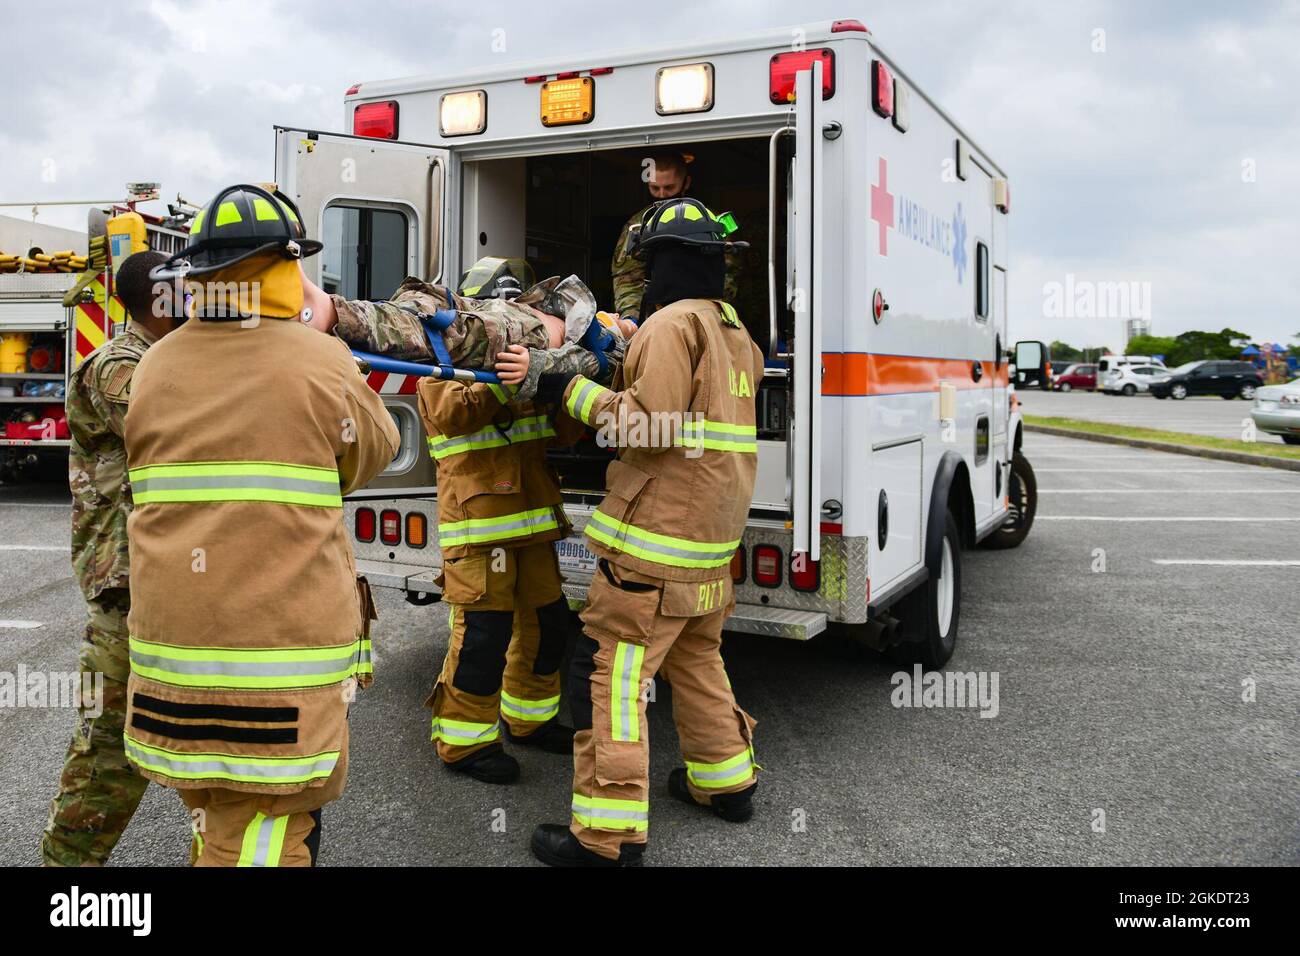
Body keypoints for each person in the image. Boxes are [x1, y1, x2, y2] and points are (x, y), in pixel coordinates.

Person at [122, 184, 399, 866]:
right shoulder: (317, 360)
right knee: (268, 829)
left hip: (172, 670)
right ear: (284, 266)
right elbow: (374, 450)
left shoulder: (152, 367)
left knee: (217, 813)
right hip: (276, 679)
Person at [529, 197, 763, 867]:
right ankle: (727, 783)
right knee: (696, 661)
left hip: (655, 546)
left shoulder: (670, 325)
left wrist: (566, 387)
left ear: (662, 264)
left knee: (615, 679)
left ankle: (606, 838)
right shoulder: (733, 330)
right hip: (709, 547)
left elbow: (642, 425)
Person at [40, 250, 186, 867]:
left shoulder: (171, 358)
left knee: (218, 743)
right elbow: (178, 424)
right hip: (125, 589)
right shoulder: (116, 367)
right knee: (108, 749)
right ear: (155, 301)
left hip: (179, 583)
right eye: (181, 291)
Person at [303, 270, 637, 394]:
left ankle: (330, 313)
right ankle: (323, 307)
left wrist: (536, 364)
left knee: (449, 333)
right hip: (501, 312)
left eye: (630, 325)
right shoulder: (584, 310)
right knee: (427, 300)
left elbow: (587, 364)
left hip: (517, 337)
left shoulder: (612, 349)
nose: (626, 320)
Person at [610, 150, 739, 323]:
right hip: (655, 316)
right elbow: (627, 277)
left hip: (705, 315)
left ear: (686, 182)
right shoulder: (638, 224)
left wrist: (717, 313)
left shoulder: (709, 220)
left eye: (669, 187)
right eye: (655, 188)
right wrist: (631, 319)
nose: (662, 194)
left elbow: (729, 273)